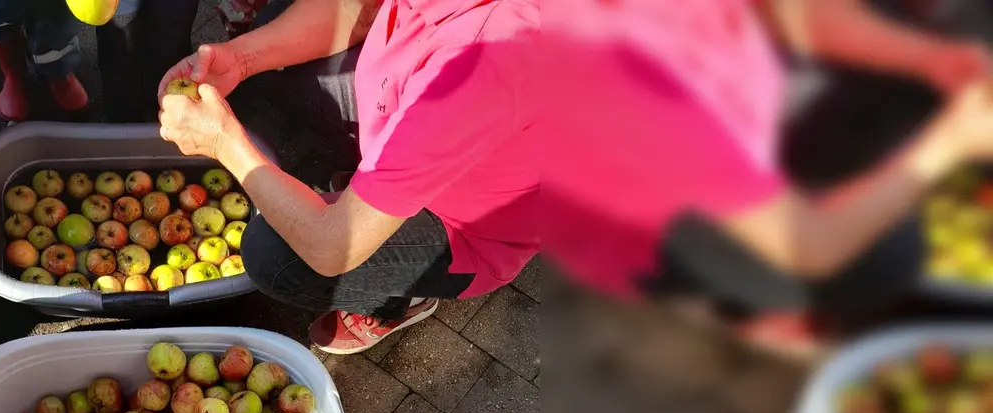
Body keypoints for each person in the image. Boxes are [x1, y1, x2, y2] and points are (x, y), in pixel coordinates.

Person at [538, 0, 993, 349]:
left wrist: (928, 58)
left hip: (739, 117)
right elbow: (809, 245)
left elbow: (785, 10)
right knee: (882, 258)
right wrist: (947, 145)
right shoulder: (587, 68)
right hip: (651, 229)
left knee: (905, 94)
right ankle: (750, 303)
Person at [156, 0, 539, 355]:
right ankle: (373, 183)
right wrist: (240, 59)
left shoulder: (481, 63)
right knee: (270, 44)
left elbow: (331, 247)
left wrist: (224, 141)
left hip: (463, 225)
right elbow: (355, 8)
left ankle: (396, 301)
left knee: (277, 256)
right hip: (409, 104)